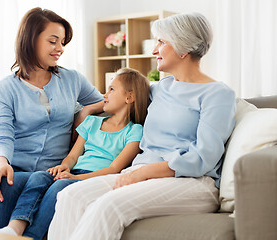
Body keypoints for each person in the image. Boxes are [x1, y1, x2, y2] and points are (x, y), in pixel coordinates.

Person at [48, 12, 236, 240]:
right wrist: (88, 109)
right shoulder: (159, 88)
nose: (154, 50)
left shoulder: (217, 94)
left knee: (109, 206)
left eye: (161, 42)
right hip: (140, 173)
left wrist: (145, 172)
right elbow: (120, 97)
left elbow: (204, 157)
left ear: (183, 48)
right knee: (71, 195)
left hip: (192, 182)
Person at [0, 7, 105, 230]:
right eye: (53, 41)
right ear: (31, 40)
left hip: (46, 171)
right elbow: (2, 132)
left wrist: (85, 111)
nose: (60, 48)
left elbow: (107, 101)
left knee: (9, 184)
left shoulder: (72, 80)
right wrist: (1, 163)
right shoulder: (5, 88)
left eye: (63, 42)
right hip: (12, 163)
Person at [0, 67, 150, 239]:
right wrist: (64, 167)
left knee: (59, 187)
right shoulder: (91, 123)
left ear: (130, 97)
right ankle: (14, 228)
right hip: (74, 172)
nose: (104, 95)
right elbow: (73, 156)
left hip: (95, 178)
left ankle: (30, 236)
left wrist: (76, 179)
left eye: (112, 89)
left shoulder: (135, 131)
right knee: (39, 177)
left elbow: (114, 168)